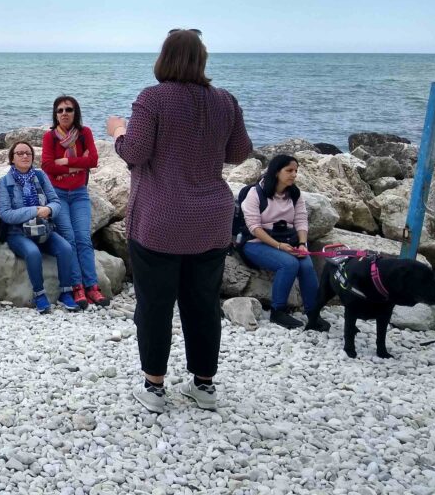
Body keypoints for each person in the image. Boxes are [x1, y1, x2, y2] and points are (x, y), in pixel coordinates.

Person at [108, 29, 251, 413]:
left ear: (164, 57)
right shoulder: (226, 101)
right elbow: (240, 153)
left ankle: (154, 389)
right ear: (201, 59)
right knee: (203, 303)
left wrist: (118, 131)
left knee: (154, 305)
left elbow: (135, 153)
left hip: (161, 219)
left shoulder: (152, 98)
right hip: (211, 219)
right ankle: (204, 385)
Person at [240, 154, 329, 331]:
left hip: (288, 241)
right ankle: (277, 311)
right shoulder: (255, 193)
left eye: (296, 171)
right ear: (276, 171)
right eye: (289, 170)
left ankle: (313, 313)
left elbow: (302, 221)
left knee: (306, 265)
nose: (294, 174)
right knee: (288, 264)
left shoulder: (294, 194)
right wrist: (280, 247)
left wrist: (302, 244)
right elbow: (254, 227)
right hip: (256, 243)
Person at [0, 142, 80, 314]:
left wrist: (49, 210)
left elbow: (56, 202)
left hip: (44, 229)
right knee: (33, 253)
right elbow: (5, 214)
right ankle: (39, 294)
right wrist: (33, 210)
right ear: (12, 158)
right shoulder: (4, 183)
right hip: (18, 233)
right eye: (20, 153)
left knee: (65, 248)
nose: (25, 156)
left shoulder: (40, 177)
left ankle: (66, 292)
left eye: (28, 153)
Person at [41, 95, 106, 310]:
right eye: (60, 110)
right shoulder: (50, 137)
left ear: (75, 112)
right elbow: (48, 166)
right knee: (69, 239)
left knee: (83, 238)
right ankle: (77, 286)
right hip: (57, 195)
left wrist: (67, 161)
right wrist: (79, 164)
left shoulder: (84, 134)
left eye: (68, 109)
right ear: (55, 114)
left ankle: (92, 286)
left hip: (79, 193)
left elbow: (94, 161)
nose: (64, 113)